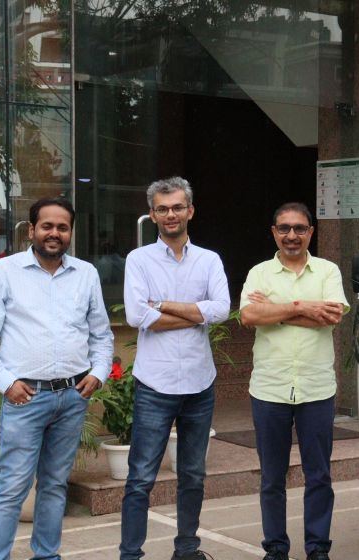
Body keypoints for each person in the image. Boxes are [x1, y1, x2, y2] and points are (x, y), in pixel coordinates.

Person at [0, 197, 114, 560]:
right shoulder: (3, 273)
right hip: (25, 398)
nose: (54, 233)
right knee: (12, 487)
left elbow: (101, 334)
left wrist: (98, 373)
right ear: (31, 230)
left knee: (54, 485)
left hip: (73, 397)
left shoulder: (86, 274)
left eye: (62, 227)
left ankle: (47, 555)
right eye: (47, 226)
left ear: (70, 233)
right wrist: (7, 383)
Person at [120, 177, 230, 560]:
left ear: (190, 211)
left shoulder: (209, 260)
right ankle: (130, 554)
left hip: (200, 384)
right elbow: (137, 316)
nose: (171, 214)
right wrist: (196, 313)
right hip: (155, 384)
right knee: (140, 478)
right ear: (152, 215)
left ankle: (186, 550)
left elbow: (222, 310)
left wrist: (163, 305)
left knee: (193, 476)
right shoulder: (139, 260)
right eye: (163, 208)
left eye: (177, 207)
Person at [239, 203, 348, 560]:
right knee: (272, 477)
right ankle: (276, 548)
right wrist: (303, 308)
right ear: (274, 232)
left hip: (316, 389)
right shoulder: (259, 273)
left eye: (299, 228)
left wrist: (276, 310)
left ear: (310, 232)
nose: (291, 235)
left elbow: (331, 316)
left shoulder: (328, 271)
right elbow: (248, 316)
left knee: (319, 475)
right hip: (269, 389)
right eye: (284, 228)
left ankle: (317, 548)